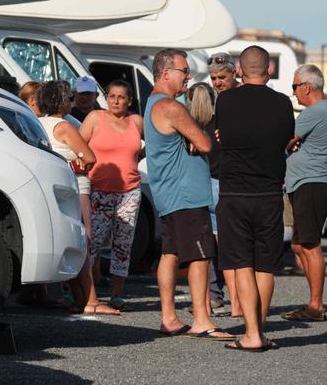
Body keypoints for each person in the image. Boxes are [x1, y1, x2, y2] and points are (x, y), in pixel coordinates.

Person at [144, 48, 232, 341]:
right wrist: (197, 136)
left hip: (171, 193)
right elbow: (205, 143)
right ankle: (202, 320)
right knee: (200, 255)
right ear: (166, 73)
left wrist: (192, 137)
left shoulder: (153, 103)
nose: (188, 77)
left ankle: (169, 318)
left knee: (170, 254)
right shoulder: (170, 106)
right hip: (186, 194)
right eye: (184, 71)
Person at [216, 45, 294, 352]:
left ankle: (251, 334)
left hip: (234, 192)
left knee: (243, 265)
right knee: (265, 266)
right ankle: (258, 330)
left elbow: (222, 132)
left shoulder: (226, 99)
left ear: (238, 70)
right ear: (269, 69)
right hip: (269, 193)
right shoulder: (283, 102)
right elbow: (286, 138)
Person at [36, 81, 118, 315]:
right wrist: (75, 162)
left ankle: (80, 298)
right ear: (61, 101)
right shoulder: (64, 126)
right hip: (76, 187)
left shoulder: (38, 123)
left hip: (51, 186)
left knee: (72, 242)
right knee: (84, 243)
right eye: (68, 98)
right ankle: (91, 299)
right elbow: (90, 158)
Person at [80, 80, 144, 310]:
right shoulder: (95, 118)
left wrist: (136, 158)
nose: (116, 101)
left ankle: (116, 295)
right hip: (99, 192)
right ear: (106, 98)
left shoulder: (136, 121)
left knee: (123, 245)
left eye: (121, 97)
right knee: (91, 243)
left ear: (129, 101)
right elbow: (78, 145)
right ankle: (84, 294)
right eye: (111, 96)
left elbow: (152, 146)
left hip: (130, 191)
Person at [281, 65, 327, 322]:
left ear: (306, 86)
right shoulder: (325, 112)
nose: (293, 93)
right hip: (307, 183)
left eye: (294, 87)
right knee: (299, 245)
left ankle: (316, 305)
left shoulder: (313, 112)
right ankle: (313, 302)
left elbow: (285, 141)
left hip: (310, 184)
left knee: (311, 246)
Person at [205, 54, 243, 318]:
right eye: (214, 78)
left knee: (233, 243)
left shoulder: (242, 100)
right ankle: (217, 295)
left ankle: (239, 301)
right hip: (214, 176)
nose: (218, 82)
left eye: (222, 77)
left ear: (235, 74)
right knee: (215, 243)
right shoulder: (214, 101)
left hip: (236, 180)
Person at [185, 82, 227, 317]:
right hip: (223, 186)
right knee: (225, 247)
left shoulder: (190, 128)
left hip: (202, 185)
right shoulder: (220, 126)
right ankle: (236, 297)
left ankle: (213, 296)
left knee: (205, 249)